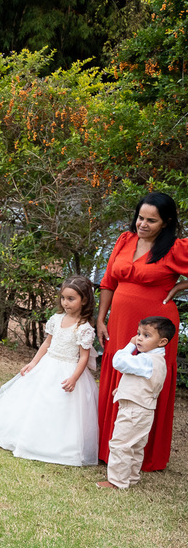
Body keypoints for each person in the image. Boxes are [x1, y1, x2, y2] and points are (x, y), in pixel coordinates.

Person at [96, 192, 188, 472]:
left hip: (156, 324)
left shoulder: (174, 247)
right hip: (120, 321)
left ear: (166, 222)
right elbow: (109, 281)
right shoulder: (125, 240)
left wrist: (181, 287)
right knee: (118, 372)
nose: (143, 224)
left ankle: (145, 454)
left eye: (151, 220)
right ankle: (106, 448)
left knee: (146, 380)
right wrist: (101, 319)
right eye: (140, 217)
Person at [0, 276, 98, 466]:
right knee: (35, 402)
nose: (65, 303)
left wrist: (74, 378)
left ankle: (56, 445)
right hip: (48, 365)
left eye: (71, 299)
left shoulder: (84, 328)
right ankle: (24, 435)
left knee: (60, 408)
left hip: (67, 370)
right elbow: (47, 343)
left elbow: (83, 357)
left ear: (84, 300)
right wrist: (33, 363)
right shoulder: (57, 319)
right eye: (63, 298)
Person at [97, 317, 174, 489]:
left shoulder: (146, 360)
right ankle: (131, 477)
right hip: (145, 410)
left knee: (120, 443)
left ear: (162, 341)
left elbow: (119, 362)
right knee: (135, 446)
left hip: (134, 410)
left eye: (146, 335)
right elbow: (147, 383)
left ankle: (117, 481)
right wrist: (123, 389)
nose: (139, 338)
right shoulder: (157, 360)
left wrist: (129, 345)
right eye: (138, 334)